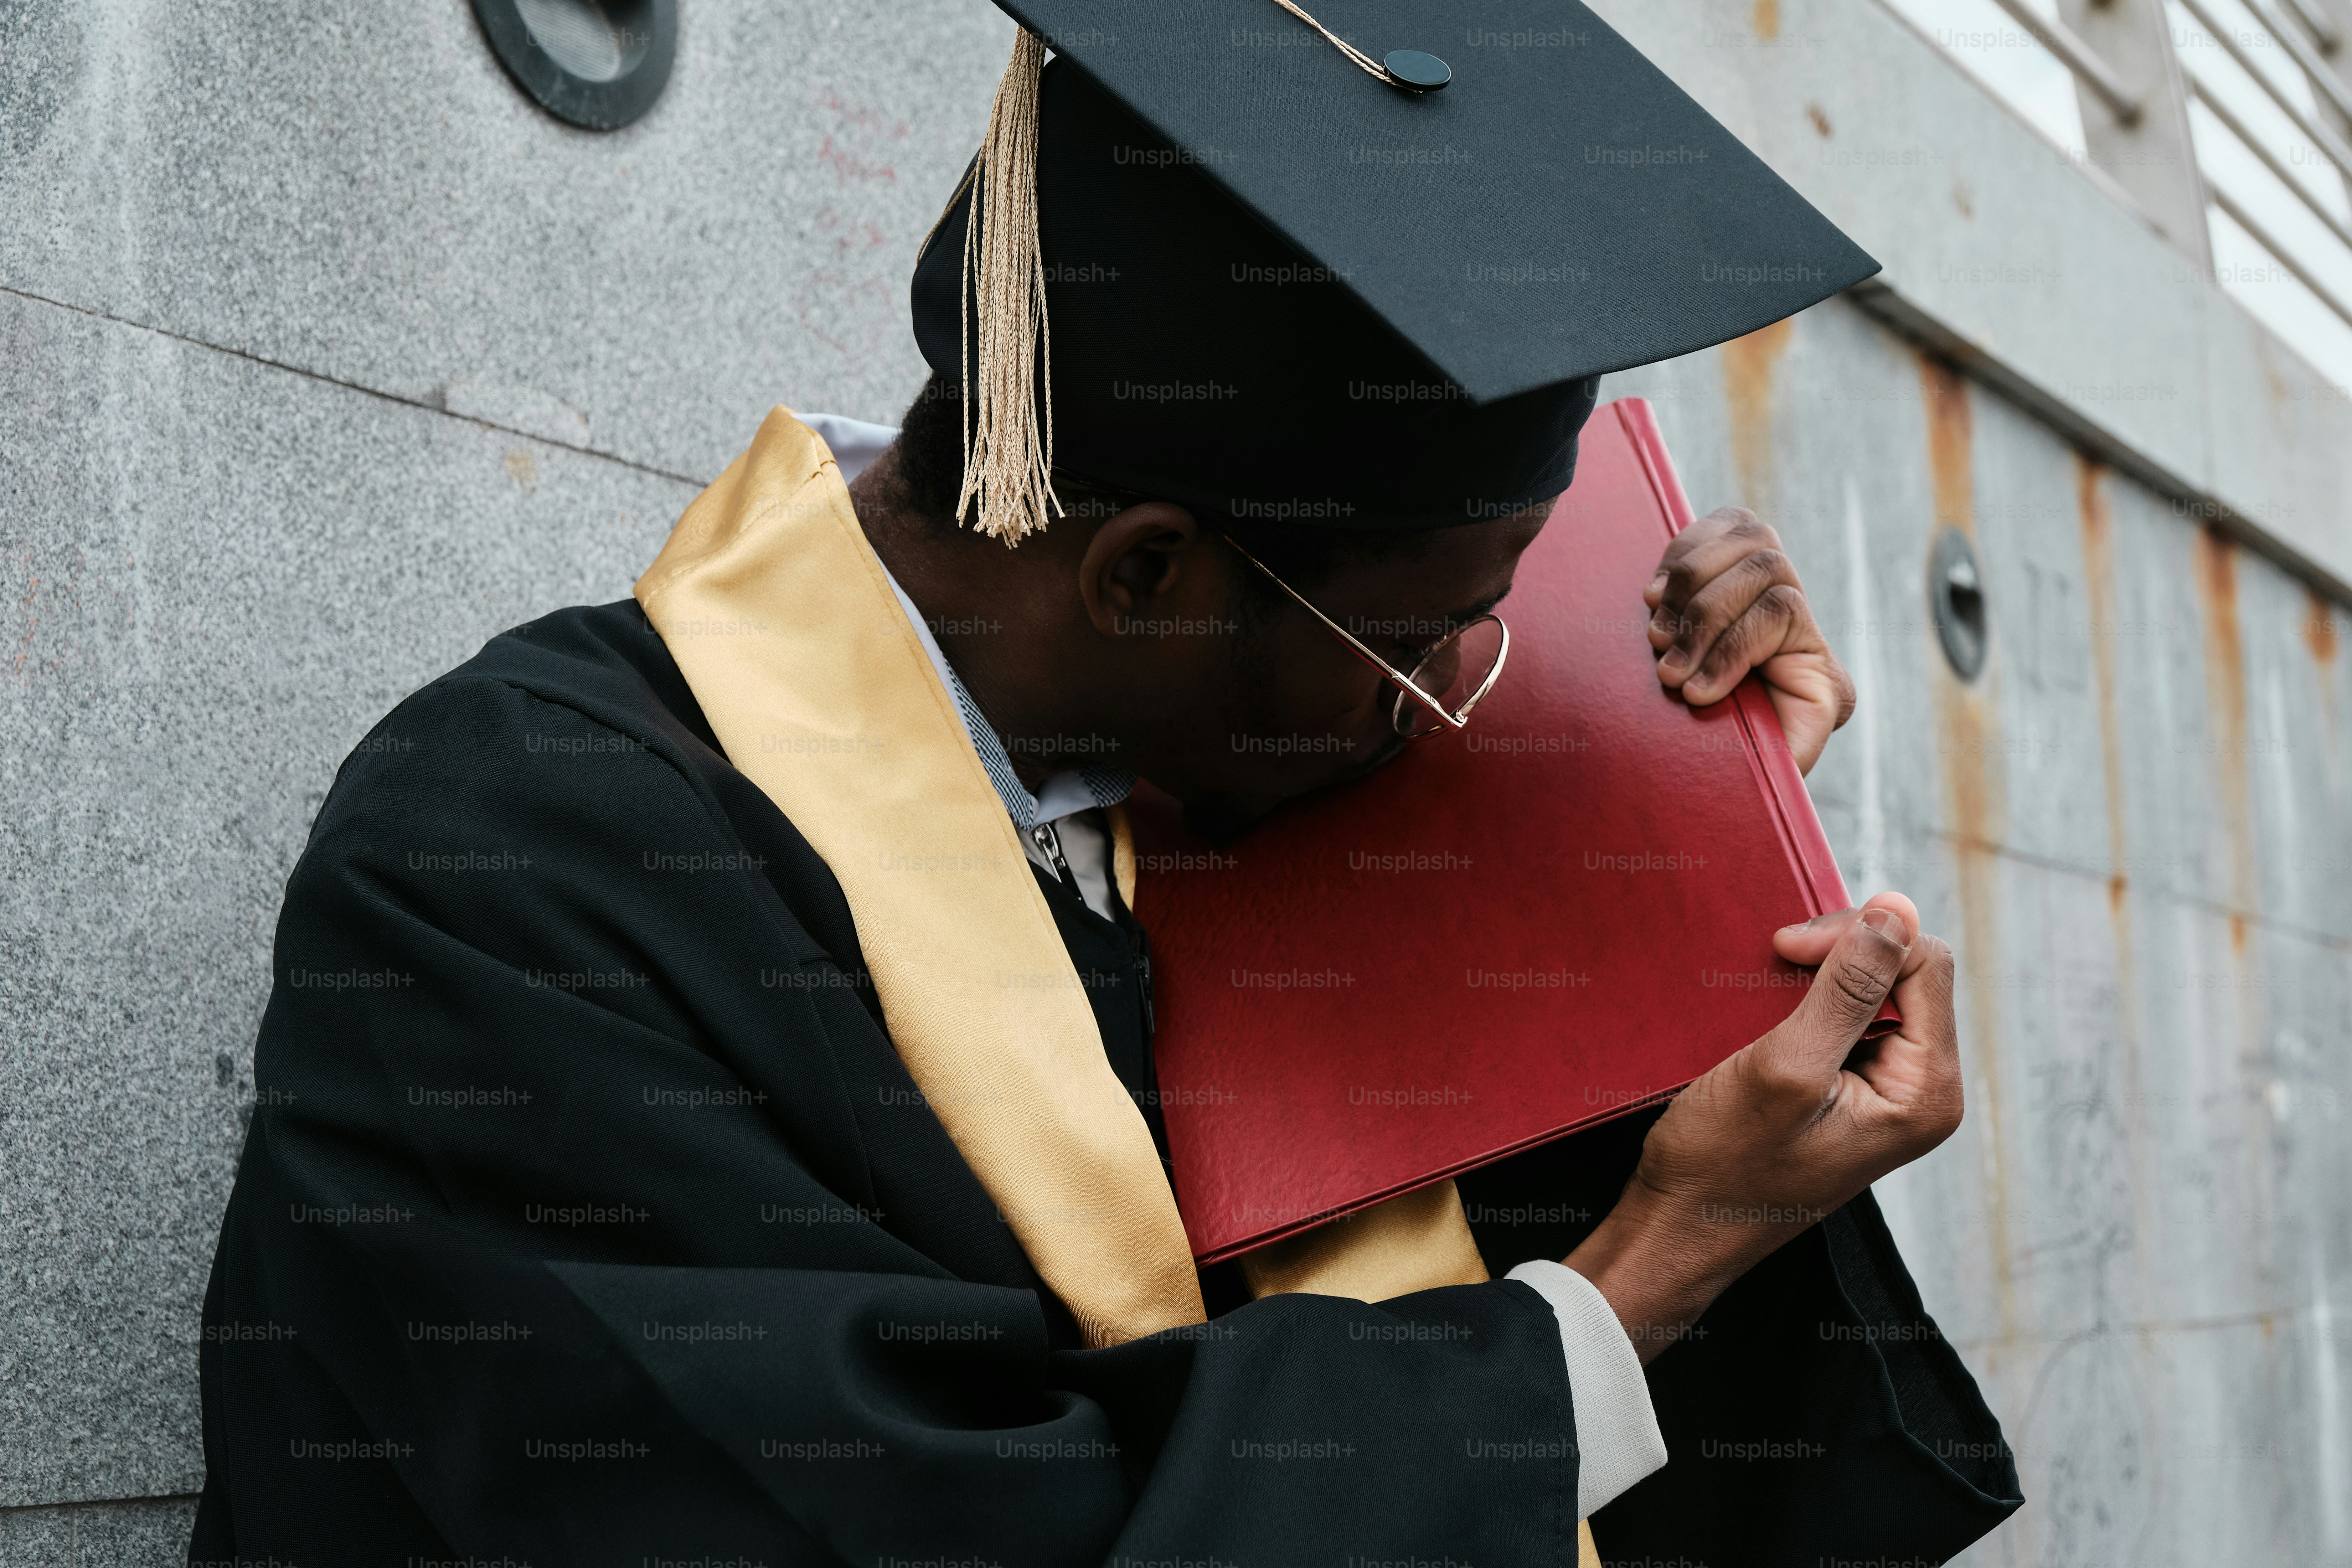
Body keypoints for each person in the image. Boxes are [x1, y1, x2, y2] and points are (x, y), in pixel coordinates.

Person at [192, 7, 2021, 1563]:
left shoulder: (1199, 770)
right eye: (1429, 635)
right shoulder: (508, 876)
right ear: (1149, 579)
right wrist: (1634, 1280)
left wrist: (1671, 815)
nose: (1473, 680)